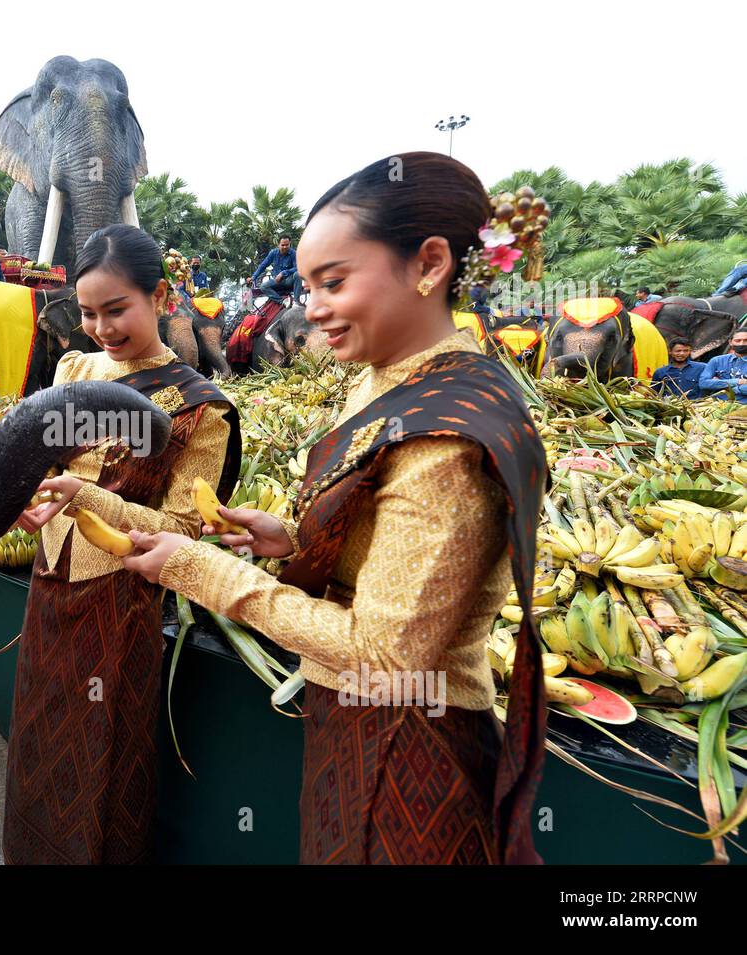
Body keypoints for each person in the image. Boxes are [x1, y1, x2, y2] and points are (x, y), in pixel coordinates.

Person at [122, 152, 548, 865]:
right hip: (352, 724)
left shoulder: (448, 438)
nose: (311, 307)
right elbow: (381, 550)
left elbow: (384, 651)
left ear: (431, 264)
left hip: (411, 748)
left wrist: (201, 569)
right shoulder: (387, 379)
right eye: (309, 283)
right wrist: (289, 541)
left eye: (334, 282)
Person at [2, 224, 241, 864]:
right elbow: (37, 459)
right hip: (48, 593)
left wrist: (89, 500)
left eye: (117, 310)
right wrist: (25, 499)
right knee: (39, 741)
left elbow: (189, 531)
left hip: (121, 603)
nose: (102, 328)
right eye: (87, 313)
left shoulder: (199, 407)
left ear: (160, 296)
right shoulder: (74, 367)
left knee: (105, 755)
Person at [698, 329, 747, 402]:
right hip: (719, 406)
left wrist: (722, 385)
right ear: (730, 342)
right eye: (738, 341)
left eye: (746, 340)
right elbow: (703, 383)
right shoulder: (717, 360)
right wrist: (737, 381)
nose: (741, 343)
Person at [251, 235, 298, 304]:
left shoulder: (293, 253)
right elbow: (263, 265)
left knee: (297, 274)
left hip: (289, 281)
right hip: (277, 281)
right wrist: (254, 277)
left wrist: (283, 273)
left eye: (287, 245)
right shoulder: (273, 253)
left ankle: (296, 300)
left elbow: (297, 268)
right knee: (263, 286)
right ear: (278, 245)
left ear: (290, 244)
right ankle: (282, 301)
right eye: (282, 245)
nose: (285, 247)